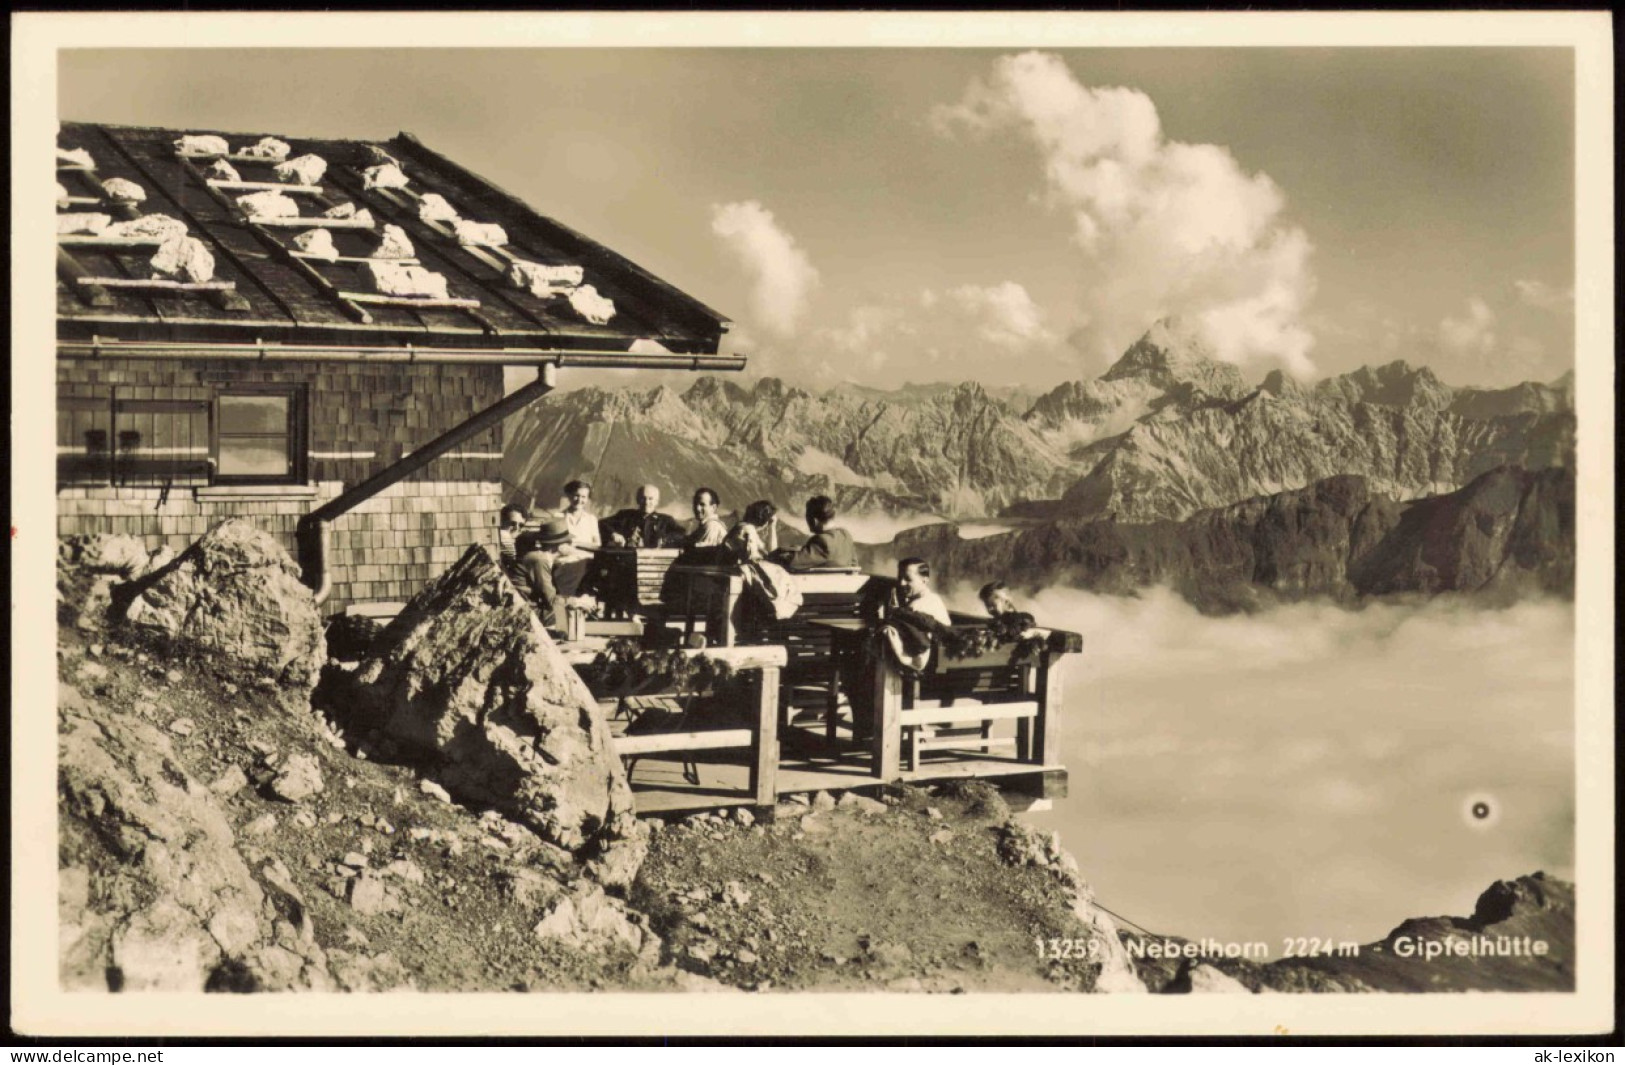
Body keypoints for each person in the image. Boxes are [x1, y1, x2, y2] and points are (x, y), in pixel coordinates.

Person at [515, 520, 572, 635]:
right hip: (522, 610)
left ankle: (562, 632)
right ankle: (563, 635)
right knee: (570, 609)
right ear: (560, 545)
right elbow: (550, 599)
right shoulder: (540, 559)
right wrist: (575, 602)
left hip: (524, 605)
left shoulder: (541, 557)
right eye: (568, 542)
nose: (571, 545)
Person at [777, 495, 857, 571]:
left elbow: (793, 562)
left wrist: (777, 553)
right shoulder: (846, 535)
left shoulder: (822, 541)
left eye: (808, 519)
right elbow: (854, 564)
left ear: (815, 521)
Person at [600, 483, 684, 549]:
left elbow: (681, 534)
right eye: (643, 498)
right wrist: (613, 534)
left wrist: (665, 539)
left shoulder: (665, 520)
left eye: (650, 499)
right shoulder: (625, 516)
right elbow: (602, 524)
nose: (646, 502)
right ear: (637, 499)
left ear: (657, 501)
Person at [556, 479, 601, 560]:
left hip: (586, 558)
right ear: (569, 496)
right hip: (564, 558)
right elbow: (556, 545)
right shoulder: (558, 517)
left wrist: (576, 543)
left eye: (583, 497)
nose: (579, 500)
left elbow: (597, 544)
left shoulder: (591, 519)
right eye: (576, 495)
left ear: (587, 499)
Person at [496, 503, 528, 569]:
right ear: (502, 522)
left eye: (521, 525)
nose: (516, 528)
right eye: (512, 523)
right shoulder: (502, 536)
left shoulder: (520, 543)